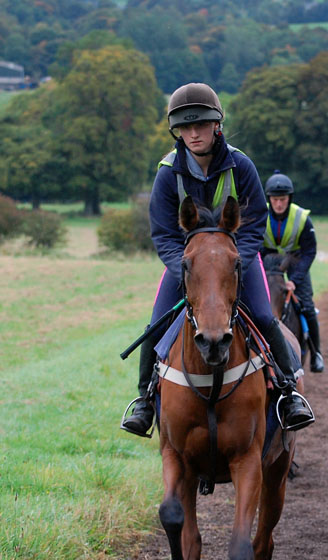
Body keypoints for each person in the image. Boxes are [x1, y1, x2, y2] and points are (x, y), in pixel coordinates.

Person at [121, 82, 315, 437]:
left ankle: (288, 393)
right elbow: (163, 232)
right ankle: (145, 401)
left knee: (262, 316)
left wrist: (231, 261)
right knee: (155, 326)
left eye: (201, 125)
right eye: (186, 127)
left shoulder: (241, 165)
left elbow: (255, 219)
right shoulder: (167, 172)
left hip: (236, 261)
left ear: (216, 126)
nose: (193, 134)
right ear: (177, 131)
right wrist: (184, 266)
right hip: (187, 267)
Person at [260, 171, 324, 373]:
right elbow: (253, 245)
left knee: (306, 306)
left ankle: (316, 354)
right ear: (269, 199)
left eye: (283, 199)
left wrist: (295, 280)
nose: (279, 204)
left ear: (290, 198)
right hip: (268, 260)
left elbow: (310, 251)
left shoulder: (303, 219)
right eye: (275, 199)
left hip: (296, 262)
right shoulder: (259, 215)